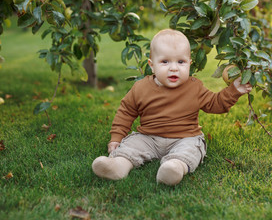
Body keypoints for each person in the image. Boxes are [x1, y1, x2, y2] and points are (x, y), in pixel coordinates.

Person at [92, 29, 252, 185]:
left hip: (184, 138)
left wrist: (234, 90)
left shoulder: (195, 88)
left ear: (189, 64)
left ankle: (174, 168)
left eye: (181, 62)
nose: (174, 68)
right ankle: (118, 166)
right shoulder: (140, 88)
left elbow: (215, 104)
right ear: (152, 65)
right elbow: (125, 113)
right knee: (132, 146)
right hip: (149, 137)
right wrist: (116, 138)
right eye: (165, 62)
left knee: (189, 150)